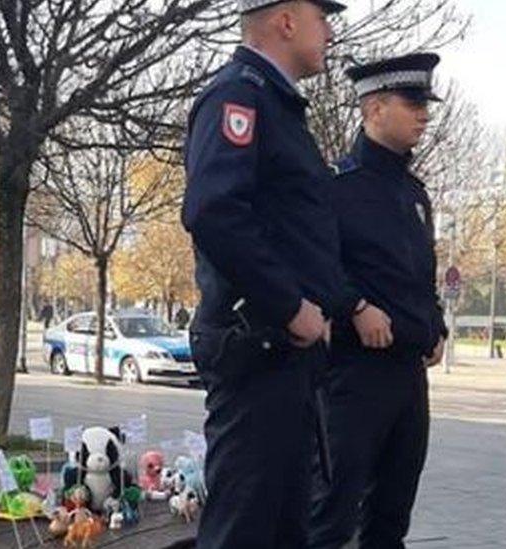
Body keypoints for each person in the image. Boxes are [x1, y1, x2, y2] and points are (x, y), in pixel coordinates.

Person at [181, 1, 365, 547]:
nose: (331, 30)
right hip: (259, 344)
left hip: (287, 352)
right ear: (286, 21)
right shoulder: (240, 96)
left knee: (285, 527)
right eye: (322, 16)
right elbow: (214, 212)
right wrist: (289, 305)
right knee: (245, 528)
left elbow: (295, 231)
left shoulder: (277, 106)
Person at [308, 53, 448, 549]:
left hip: (409, 375)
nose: (423, 114)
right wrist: (355, 307)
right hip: (355, 374)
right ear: (374, 107)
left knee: (391, 518)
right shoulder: (337, 188)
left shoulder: (414, 192)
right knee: (332, 517)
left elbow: (420, 277)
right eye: (412, 103)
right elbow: (316, 264)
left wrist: (437, 326)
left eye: (424, 103)